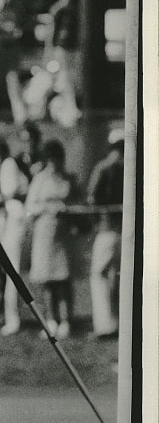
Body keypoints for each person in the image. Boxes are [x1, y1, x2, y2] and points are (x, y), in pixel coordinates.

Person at [25, 139, 76, 339]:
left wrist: (64, 209)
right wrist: (47, 207)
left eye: (57, 158)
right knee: (46, 281)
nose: (54, 162)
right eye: (51, 158)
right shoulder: (40, 179)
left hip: (62, 234)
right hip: (44, 233)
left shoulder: (67, 179)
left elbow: (74, 203)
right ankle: (50, 321)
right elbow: (30, 208)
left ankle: (65, 321)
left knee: (62, 280)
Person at [0, 121, 42, 336]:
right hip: (16, 221)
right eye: (26, 140)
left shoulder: (39, 164)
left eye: (33, 140)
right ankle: (12, 318)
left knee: (38, 271)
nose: (30, 144)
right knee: (13, 272)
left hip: (33, 222)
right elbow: (10, 192)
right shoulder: (11, 164)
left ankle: (41, 316)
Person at [87, 128, 125, 338]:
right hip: (125, 231)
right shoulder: (131, 169)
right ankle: (117, 322)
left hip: (106, 230)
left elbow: (91, 198)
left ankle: (104, 325)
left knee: (99, 276)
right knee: (116, 278)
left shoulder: (103, 168)